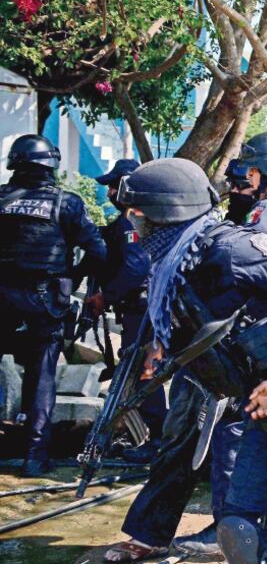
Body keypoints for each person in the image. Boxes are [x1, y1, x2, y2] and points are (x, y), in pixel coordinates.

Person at [106, 157, 267, 564]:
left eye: (138, 213)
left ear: (167, 213)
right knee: (239, 530)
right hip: (258, 407)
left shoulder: (233, 249)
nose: (132, 221)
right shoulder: (177, 264)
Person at [0, 134, 107, 477]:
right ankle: (35, 456)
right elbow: (98, 252)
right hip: (44, 302)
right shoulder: (67, 203)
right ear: (51, 166)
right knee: (42, 373)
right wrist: (72, 277)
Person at [85, 159, 166, 464]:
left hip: (142, 310)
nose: (109, 193)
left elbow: (135, 267)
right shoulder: (148, 217)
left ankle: (157, 441)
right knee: (142, 370)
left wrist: (104, 298)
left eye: (113, 186)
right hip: (148, 307)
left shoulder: (133, 219)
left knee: (144, 372)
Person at [223, 158, 257, 224]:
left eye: (240, 186)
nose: (233, 190)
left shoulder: (261, 218)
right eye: (232, 185)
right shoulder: (233, 215)